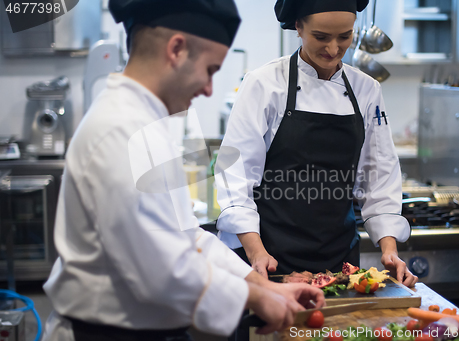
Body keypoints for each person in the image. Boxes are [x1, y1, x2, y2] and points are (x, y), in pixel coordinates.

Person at [41, 1, 325, 340]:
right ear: (176, 49)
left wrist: (262, 287)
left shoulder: (143, 124)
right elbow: (159, 271)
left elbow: (186, 236)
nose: (208, 89)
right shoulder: (119, 130)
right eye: (210, 70)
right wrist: (257, 297)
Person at [215, 0, 419, 287]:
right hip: (270, 259)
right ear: (298, 27)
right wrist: (256, 252)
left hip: (341, 261)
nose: (334, 49)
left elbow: (380, 177)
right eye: (321, 37)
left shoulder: (366, 89)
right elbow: (234, 178)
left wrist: (389, 251)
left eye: (344, 36)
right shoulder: (264, 84)